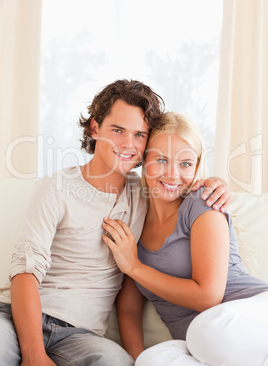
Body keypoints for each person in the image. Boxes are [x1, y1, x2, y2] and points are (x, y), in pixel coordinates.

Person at [0, 80, 230, 366]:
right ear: (95, 129)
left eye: (139, 135)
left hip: (82, 337)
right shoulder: (56, 188)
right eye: (117, 130)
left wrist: (215, 184)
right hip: (17, 321)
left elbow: (177, 181)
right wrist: (34, 354)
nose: (128, 144)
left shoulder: (147, 193)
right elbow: (24, 273)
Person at [102, 112, 268, 366]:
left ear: (197, 165)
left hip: (247, 316)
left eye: (185, 164)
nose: (173, 175)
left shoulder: (201, 203)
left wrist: (134, 267)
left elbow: (208, 297)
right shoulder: (133, 215)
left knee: (208, 332)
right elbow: (129, 309)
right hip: (200, 346)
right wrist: (135, 359)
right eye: (161, 159)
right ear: (144, 160)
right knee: (152, 360)